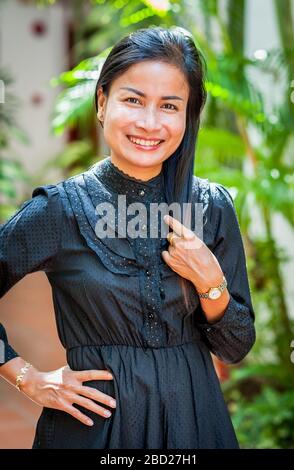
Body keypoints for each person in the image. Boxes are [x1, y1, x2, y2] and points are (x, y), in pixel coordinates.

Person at [0, 26, 255, 449]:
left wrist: (211, 282)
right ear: (102, 102)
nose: (149, 123)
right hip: (97, 431)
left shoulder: (212, 207)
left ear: (189, 115)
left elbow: (235, 346)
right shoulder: (61, 210)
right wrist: (26, 377)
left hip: (195, 424)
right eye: (133, 100)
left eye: (169, 106)